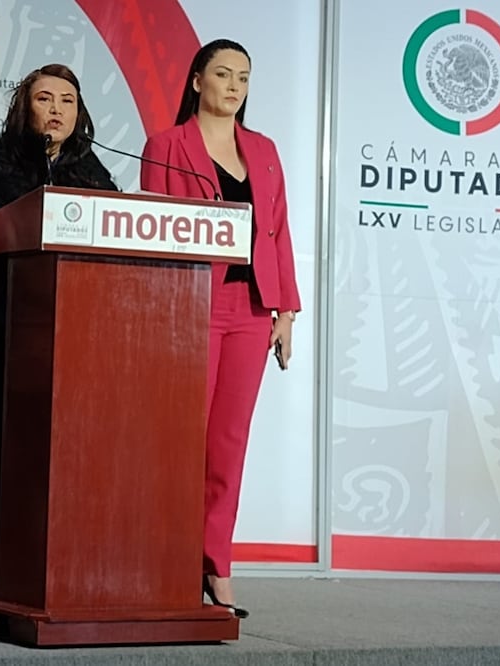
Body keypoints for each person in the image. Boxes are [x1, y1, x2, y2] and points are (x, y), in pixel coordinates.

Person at [0, 64, 118, 597]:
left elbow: (116, 229)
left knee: (70, 452)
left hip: (77, 331)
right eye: (45, 98)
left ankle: (65, 575)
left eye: (68, 99)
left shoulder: (90, 170)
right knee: (12, 448)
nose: (57, 109)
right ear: (25, 107)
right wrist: (15, 229)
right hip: (3, 323)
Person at [140, 39, 301, 618]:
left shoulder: (263, 150)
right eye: (224, 74)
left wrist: (284, 312)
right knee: (183, 440)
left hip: (252, 311)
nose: (235, 86)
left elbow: (277, 232)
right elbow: (152, 232)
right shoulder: (166, 145)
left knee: (228, 445)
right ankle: (170, 560)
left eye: (244, 78)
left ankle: (217, 564)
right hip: (190, 309)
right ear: (196, 81)